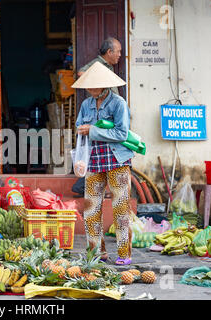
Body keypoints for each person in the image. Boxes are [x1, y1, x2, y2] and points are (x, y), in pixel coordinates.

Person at [72, 61, 134, 265]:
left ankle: (124, 254)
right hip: (93, 161)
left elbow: (121, 133)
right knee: (90, 209)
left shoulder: (118, 103)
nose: (89, 89)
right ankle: (97, 252)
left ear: (104, 85)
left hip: (117, 161)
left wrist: (92, 130)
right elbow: (80, 124)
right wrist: (81, 129)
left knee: (120, 208)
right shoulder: (86, 104)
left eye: (93, 85)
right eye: (87, 85)